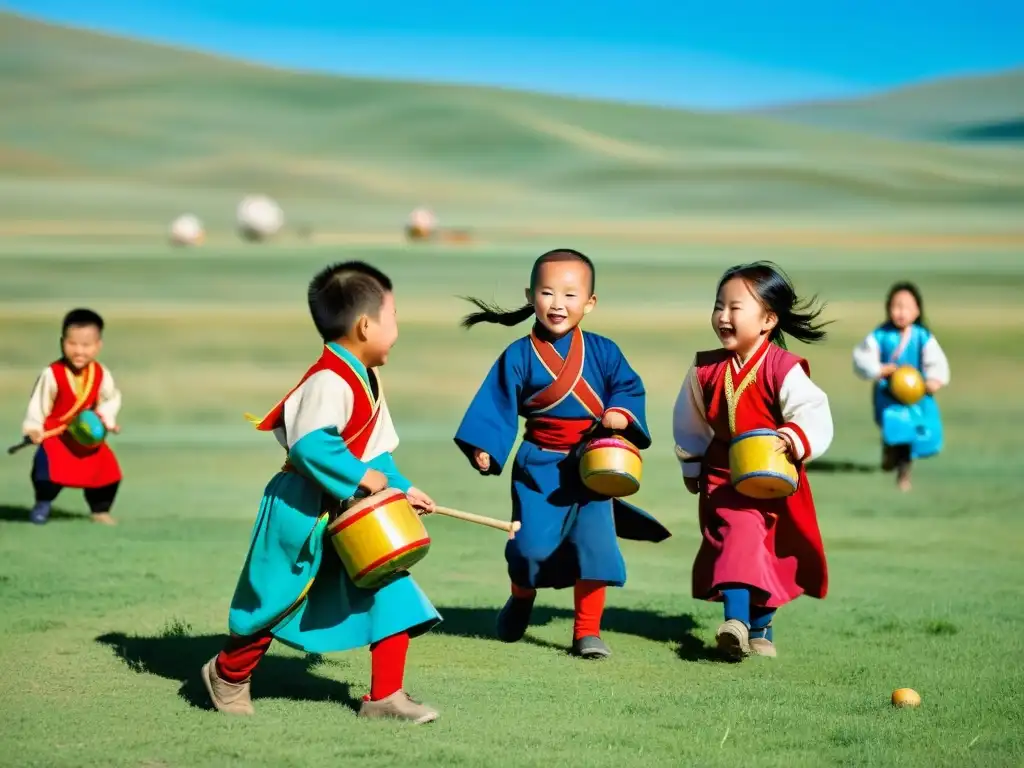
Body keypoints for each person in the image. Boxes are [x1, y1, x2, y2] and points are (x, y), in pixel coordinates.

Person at [202, 261, 442, 723]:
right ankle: (228, 676)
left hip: (352, 514)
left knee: (390, 583)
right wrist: (361, 479)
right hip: (301, 508)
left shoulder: (369, 380)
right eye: (394, 318)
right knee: (278, 598)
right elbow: (312, 445)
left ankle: (385, 697)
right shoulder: (328, 379)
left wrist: (402, 488)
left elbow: (376, 455)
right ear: (365, 324)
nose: (397, 329)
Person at [454, 248, 670, 659]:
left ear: (590, 303)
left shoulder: (604, 351)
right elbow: (496, 403)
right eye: (548, 293)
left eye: (571, 295)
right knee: (529, 546)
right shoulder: (517, 355)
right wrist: (485, 446)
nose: (558, 304)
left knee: (596, 548)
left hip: (593, 464)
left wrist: (622, 415)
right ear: (530, 294)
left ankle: (587, 631)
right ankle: (521, 595)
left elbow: (628, 388)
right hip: (539, 465)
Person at [672, 261, 833, 659]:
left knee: (772, 552)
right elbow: (688, 418)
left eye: (735, 307)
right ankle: (737, 621)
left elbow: (813, 411)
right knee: (739, 536)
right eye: (718, 306)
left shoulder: (783, 368)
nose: (723, 317)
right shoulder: (704, 368)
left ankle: (760, 626)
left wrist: (795, 437)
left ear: (768, 319)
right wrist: (692, 463)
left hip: (776, 473)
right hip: (724, 476)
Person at [22, 308, 122, 525]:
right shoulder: (52, 373)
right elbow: (39, 403)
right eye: (72, 344)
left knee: (107, 472)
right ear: (62, 342)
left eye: (86, 345)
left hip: (85, 437)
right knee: (46, 471)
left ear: (98, 346)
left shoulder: (101, 373)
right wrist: (34, 427)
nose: (79, 351)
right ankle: (43, 503)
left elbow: (110, 399)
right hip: (58, 435)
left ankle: (100, 510)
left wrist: (107, 419)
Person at [852, 281, 949, 491]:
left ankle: (904, 474)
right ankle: (890, 452)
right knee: (894, 429)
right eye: (896, 306)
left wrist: (934, 379)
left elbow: (936, 362)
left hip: (916, 396)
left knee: (909, 433)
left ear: (917, 310)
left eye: (906, 307)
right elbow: (862, 358)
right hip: (889, 394)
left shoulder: (923, 336)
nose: (901, 312)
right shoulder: (880, 335)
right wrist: (879, 369)